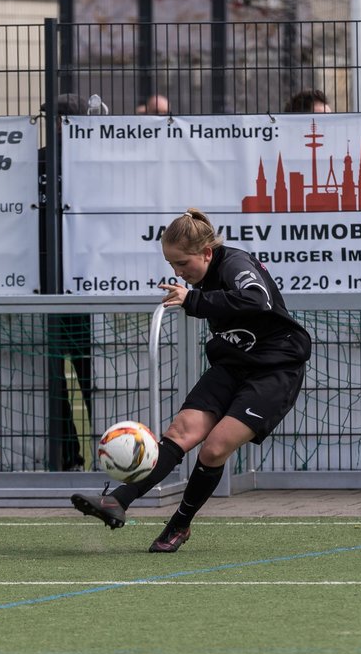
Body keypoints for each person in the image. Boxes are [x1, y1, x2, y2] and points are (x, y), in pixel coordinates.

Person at [71, 208, 312, 552]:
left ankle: (179, 525)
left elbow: (257, 299)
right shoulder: (202, 275)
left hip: (275, 370)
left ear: (207, 253)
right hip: (232, 364)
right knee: (180, 432)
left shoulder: (234, 264)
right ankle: (118, 501)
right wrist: (195, 297)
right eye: (172, 265)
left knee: (214, 449)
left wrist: (193, 300)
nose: (178, 272)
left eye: (183, 264)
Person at [39, 93, 95, 469]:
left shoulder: (38, 159)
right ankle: (120, 456)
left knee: (56, 376)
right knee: (92, 375)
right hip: (87, 281)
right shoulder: (94, 157)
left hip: (47, 282)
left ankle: (67, 457)